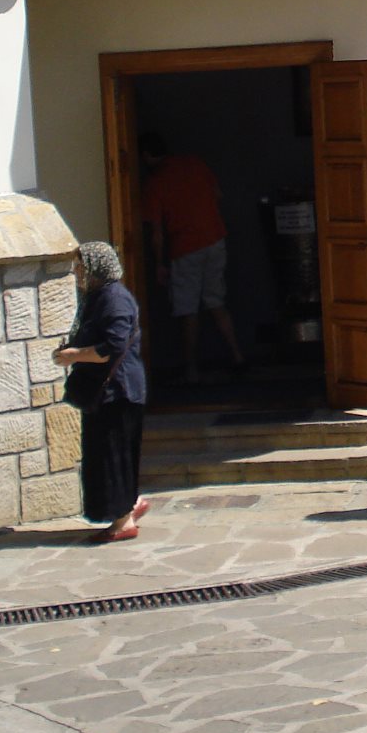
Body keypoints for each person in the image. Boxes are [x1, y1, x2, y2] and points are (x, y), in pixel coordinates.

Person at [53, 241, 150, 542]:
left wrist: (73, 355)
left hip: (118, 392)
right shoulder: (97, 297)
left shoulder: (114, 299)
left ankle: (123, 522)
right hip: (108, 393)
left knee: (113, 454)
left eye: (82, 266)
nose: (78, 272)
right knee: (105, 454)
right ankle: (128, 507)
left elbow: (112, 347)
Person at [140, 132, 245, 383]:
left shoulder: (155, 183)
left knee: (188, 309)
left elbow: (157, 232)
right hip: (214, 239)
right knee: (216, 302)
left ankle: (191, 369)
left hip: (184, 248)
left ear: (145, 155)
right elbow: (218, 195)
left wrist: (159, 264)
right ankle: (238, 356)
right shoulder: (195, 164)